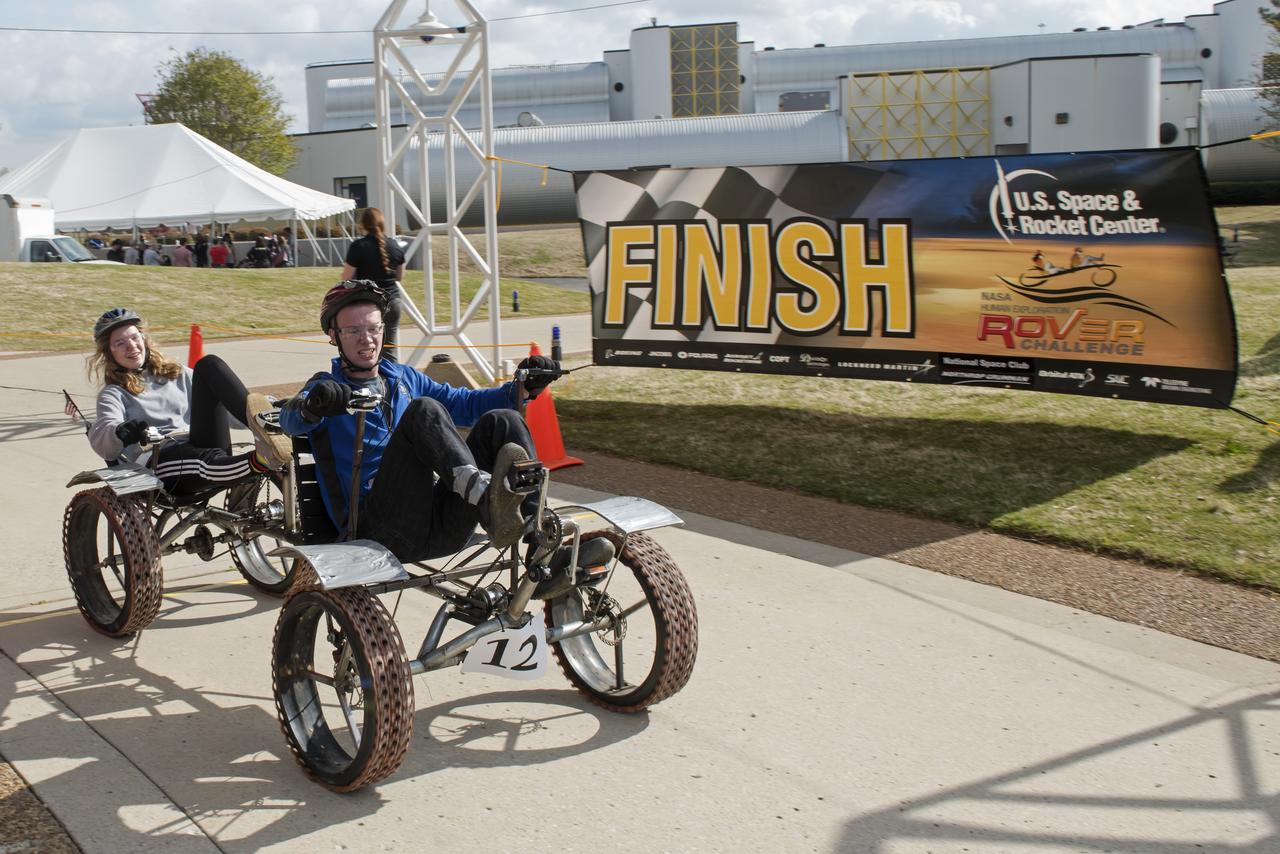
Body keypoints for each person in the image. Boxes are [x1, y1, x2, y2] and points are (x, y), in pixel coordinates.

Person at [278, 281, 560, 559]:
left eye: (373, 328)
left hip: (438, 524)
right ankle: (487, 500)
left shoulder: (404, 378)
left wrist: (525, 388)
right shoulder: (326, 389)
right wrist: (313, 406)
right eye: (353, 330)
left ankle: (543, 540)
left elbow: (466, 403)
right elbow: (289, 419)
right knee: (423, 410)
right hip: (376, 533)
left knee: (505, 421)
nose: (367, 339)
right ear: (334, 335)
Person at [87, 308, 291, 496]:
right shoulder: (113, 393)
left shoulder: (177, 374)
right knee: (204, 462)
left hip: (202, 444)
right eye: (120, 343)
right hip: (160, 460)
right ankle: (261, 460)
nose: (131, 346)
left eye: (134, 337)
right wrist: (120, 432)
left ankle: (269, 422)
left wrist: (275, 405)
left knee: (209, 365)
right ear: (109, 353)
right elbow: (103, 439)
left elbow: (228, 410)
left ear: (143, 338)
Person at [342, 208, 406, 363]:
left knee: (368, 351)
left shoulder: (358, 246)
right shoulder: (394, 245)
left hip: (370, 306)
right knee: (389, 351)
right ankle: (394, 385)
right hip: (394, 301)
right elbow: (399, 276)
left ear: (363, 224)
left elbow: (346, 277)